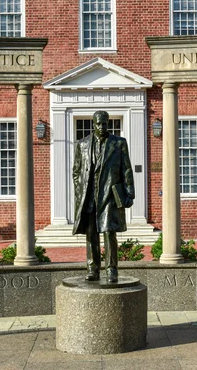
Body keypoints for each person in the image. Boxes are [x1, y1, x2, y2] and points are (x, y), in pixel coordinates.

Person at [72, 110, 135, 283]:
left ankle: (111, 269)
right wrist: (80, 190)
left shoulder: (119, 143)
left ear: (108, 123)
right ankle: (92, 268)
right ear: (93, 124)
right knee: (91, 233)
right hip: (89, 195)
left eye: (105, 123)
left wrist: (130, 192)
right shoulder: (82, 144)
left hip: (109, 194)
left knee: (109, 231)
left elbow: (127, 168)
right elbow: (76, 171)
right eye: (98, 123)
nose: (102, 126)